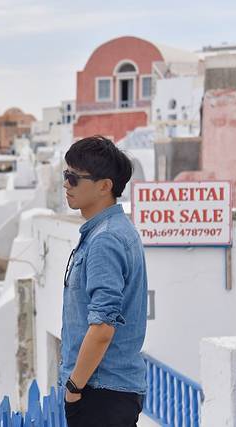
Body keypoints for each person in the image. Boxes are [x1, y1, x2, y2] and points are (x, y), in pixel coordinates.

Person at [60, 135, 147, 426]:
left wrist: (74, 388)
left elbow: (102, 327)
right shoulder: (112, 231)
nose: (66, 184)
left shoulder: (105, 240)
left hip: (99, 391)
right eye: (65, 175)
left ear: (104, 186)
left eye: (74, 178)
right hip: (107, 391)